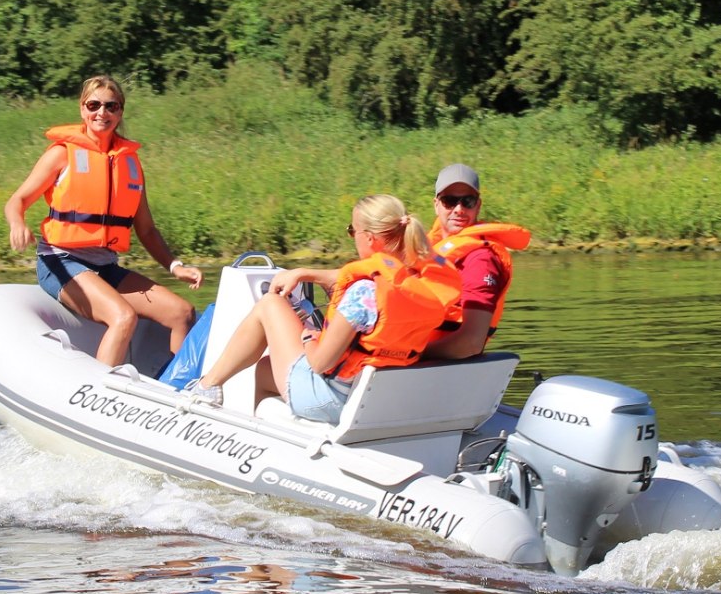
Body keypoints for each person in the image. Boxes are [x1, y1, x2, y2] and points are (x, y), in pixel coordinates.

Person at [180, 195, 462, 423]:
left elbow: (319, 364)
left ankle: (207, 387)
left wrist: (309, 336)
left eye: (352, 230)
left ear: (369, 239)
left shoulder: (364, 293)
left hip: (336, 400)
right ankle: (264, 438)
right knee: (265, 369)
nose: (352, 236)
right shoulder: (423, 283)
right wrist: (307, 275)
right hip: (384, 402)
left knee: (270, 305)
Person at [4, 75, 202, 369]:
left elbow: (145, 229)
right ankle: (100, 391)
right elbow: (16, 201)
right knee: (123, 317)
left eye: (111, 106)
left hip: (105, 266)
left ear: (120, 112)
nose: (102, 113)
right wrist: (18, 223)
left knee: (182, 312)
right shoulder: (62, 154)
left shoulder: (130, 163)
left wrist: (176, 266)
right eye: (94, 105)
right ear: (82, 109)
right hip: (61, 262)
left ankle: (178, 392)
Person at [422, 163, 532, 360]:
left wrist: (411, 355)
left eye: (468, 201)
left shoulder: (481, 260)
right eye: (449, 201)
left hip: (438, 369)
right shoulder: (426, 249)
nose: (459, 209)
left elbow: (471, 343)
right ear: (436, 204)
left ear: (478, 205)